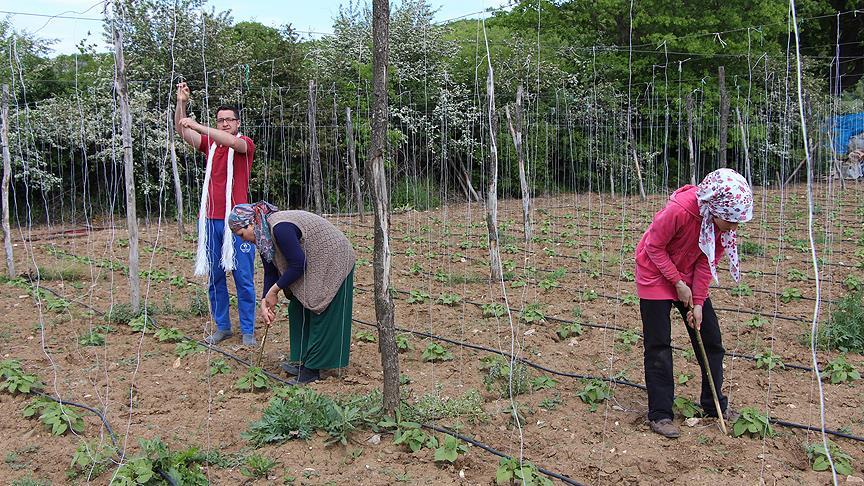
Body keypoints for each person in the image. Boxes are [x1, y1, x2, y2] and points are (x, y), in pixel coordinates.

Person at [634, 168, 753, 438]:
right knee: (659, 345)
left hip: (687, 273)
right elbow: (654, 247)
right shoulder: (679, 211)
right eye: (730, 220)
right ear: (715, 207)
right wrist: (676, 282)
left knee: (710, 339)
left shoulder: (723, 229)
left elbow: (704, 262)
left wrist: (697, 302)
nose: (734, 227)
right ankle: (661, 414)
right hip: (655, 273)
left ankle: (713, 405)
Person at [229, 202, 356, 385]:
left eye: (241, 234)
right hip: (315, 259)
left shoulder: (280, 228)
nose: (243, 240)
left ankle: (313, 369)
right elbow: (271, 270)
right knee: (298, 306)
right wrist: (265, 300)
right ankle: (304, 360)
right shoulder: (264, 237)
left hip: (334, 258)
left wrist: (275, 290)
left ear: (251, 223)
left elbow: (298, 264)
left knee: (320, 306)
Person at [175, 82, 257, 346]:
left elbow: (232, 142)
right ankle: (223, 326)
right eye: (220, 120)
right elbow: (183, 131)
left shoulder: (244, 143)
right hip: (210, 218)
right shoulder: (210, 147)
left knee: (243, 277)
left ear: (237, 123)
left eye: (228, 120)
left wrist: (199, 125)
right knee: (215, 276)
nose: (223, 124)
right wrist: (181, 104)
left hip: (239, 221)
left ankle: (248, 330)